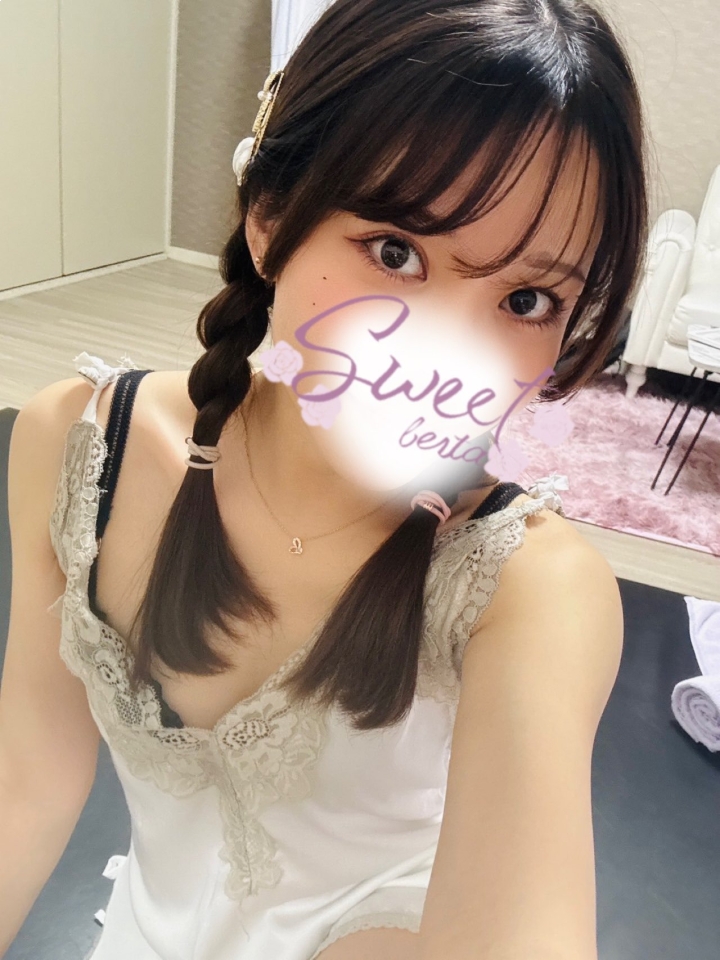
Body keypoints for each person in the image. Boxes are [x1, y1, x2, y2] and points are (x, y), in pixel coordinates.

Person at [1, 0, 646, 958]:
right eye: (396, 251)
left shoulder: (532, 588)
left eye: (526, 298)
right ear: (270, 218)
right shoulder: (81, 447)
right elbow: (28, 781)